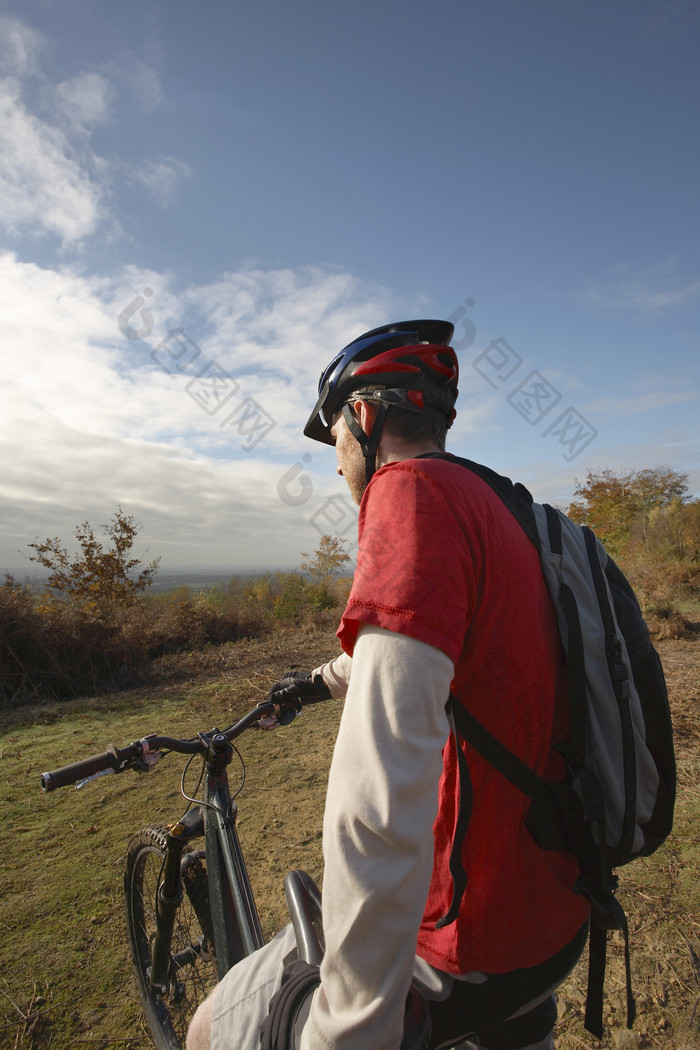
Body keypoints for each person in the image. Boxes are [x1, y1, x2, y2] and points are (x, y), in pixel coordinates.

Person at [187, 320, 591, 1050]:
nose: (338, 465)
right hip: (555, 912)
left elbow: (376, 800)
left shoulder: (408, 497)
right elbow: (440, 649)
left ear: (363, 419)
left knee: (207, 1027)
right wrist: (320, 679)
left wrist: (351, 1029)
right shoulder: (497, 504)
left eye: (336, 439)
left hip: (465, 943)